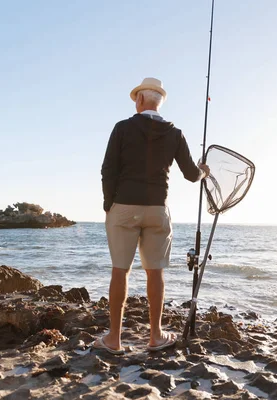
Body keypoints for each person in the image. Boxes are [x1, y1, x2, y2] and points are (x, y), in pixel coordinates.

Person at [96, 77, 210, 354]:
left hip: (123, 206)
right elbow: (192, 174)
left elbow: (108, 169)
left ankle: (114, 340)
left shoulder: (122, 128)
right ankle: (156, 336)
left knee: (119, 271)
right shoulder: (175, 133)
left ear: (139, 100)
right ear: (159, 103)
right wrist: (205, 170)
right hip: (158, 208)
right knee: (155, 272)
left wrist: (109, 203)